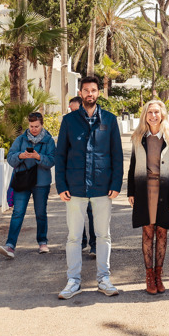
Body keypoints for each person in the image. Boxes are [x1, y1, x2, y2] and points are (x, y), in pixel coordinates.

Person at [55, 76, 124, 300]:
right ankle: (73, 280)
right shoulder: (69, 121)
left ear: (98, 93)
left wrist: (116, 183)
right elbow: (61, 155)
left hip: (102, 187)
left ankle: (104, 279)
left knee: (103, 235)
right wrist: (61, 185)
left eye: (93, 90)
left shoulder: (111, 120)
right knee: (74, 237)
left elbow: (117, 155)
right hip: (74, 189)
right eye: (86, 90)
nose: (90, 94)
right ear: (81, 93)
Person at [127, 100, 169, 294]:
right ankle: (149, 275)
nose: (153, 116)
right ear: (145, 115)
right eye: (150, 112)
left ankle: (159, 275)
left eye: (156, 112)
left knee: (162, 233)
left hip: (165, 190)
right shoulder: (138, 137)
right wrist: (131, 191)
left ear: (163, 115)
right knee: (147, 233)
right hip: (144, 189)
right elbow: (133, 166)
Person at [0, 112, 56, 259]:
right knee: (18, 213)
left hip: (41, 183)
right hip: (22, 181)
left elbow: (51, 161)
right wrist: (20, 156)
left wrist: (38, 157)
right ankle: (10, 245)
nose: (34, 129)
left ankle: (43, 242)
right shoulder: (20, 139)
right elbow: (10, 159)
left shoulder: (49, 141)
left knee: (41, 213)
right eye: (31, 126)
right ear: (28, 125)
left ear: (42, 125)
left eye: (37, 126)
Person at [69, 96, 96, 256]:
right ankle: (81, 242)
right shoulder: (69, 125)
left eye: (75, 110)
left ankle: (94, 245)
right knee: (77, 214)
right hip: (75, 179)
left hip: (92, 179)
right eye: (71, 110)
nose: (73, 113)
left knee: (92, 213)